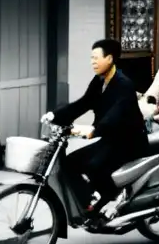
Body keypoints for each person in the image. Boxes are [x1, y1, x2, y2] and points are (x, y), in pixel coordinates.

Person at [43, 39, 148, 220]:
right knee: (69, 164)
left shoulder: (124, 84)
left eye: (96, 58)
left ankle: (114, 197)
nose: (92, 62)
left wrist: (93, 129)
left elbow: (115, 115)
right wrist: (54, 116)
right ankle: (89, 205)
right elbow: (83, 103)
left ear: (109, 58)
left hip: (130, 141)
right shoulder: (99, 81)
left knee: (94, 166)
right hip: (110, 139)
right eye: (91, 58)